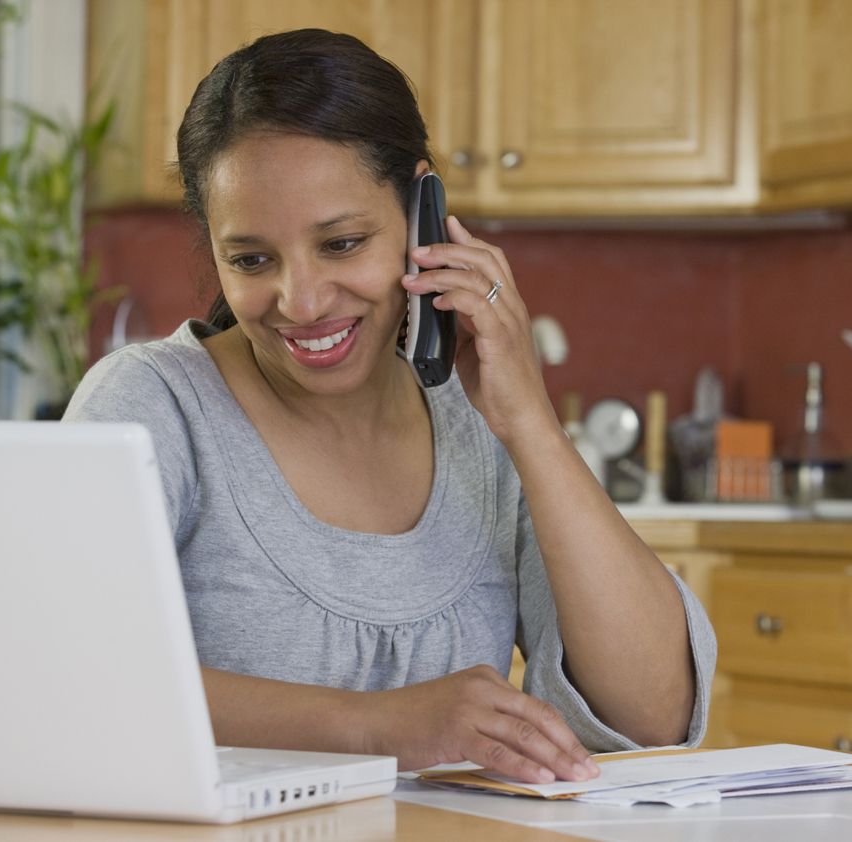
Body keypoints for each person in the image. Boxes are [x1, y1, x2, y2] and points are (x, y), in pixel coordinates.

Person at [65, 28, 716, 784]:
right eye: (250, 260)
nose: (300, 301)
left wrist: (530, 425)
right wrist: (375, 726)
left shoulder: (481, 429)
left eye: (341, 244)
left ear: (421, 213)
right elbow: (65, 673)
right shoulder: (151, 405)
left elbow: (654, 716)